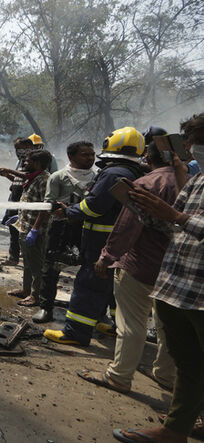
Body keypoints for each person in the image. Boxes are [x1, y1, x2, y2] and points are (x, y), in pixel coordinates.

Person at [110, 113, 203, 443]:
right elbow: (173, 225)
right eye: (189, 142)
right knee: (190, 365)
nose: (192, 149)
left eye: (197, 141)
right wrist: (144, 210)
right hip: (180, 286)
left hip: (200, 292)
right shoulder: (196, 181)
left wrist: (174, 217)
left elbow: (181, 221)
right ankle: (174, 431)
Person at [76, 128, 177, 392]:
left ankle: (119, 377)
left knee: (132, 323)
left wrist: (106, 257)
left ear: (149, 155)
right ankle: (166, 376)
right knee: (168, 327)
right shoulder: (188, 181)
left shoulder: (147, 183)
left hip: (141, 263)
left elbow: (127, 227)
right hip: (175, 268)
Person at [44, 126, 146, 346]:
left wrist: (68, 212)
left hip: (101, 241)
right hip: (119, 241)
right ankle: (113, 326)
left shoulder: (113, 173)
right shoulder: (134, 170)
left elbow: (94, 206)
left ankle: (75, 333)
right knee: (111, 285)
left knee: (88, 284)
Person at [32, 141, 96, 323]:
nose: (90, 158)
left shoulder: (98, 178)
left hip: (87, 228)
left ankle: (93, 313)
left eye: (92, 154)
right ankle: (45, 308)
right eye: (85, 154)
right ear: (71, 156)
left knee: (90, 269)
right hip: (61, 228)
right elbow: (48, 204)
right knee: (50, 269)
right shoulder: (59, 177)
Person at [0, 150, 52, 306]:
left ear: (36, 163)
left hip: (34, 229)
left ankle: (36, 296)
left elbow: (44, 207)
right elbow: (22, 186)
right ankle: (26, 290)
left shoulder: (44, 180)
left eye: (27, 161)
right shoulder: (34, 177)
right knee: (27, 262)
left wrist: (35, 230)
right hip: (25, 225)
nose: (24, 164)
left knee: (36, 265)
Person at [0, 138, 35, 266]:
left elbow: (28, 177)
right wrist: (6, 175)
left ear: (29, 147)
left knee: (24, 231)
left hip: (25, 201)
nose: (17, 151)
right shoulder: (20, 162)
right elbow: (17, 180)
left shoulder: (35, 162)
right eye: (16, 149)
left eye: (20, 148)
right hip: (14, 198)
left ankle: (28, 260)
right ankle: (13, 257)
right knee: (13, 229)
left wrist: (9, 170)